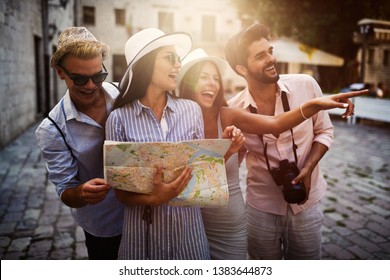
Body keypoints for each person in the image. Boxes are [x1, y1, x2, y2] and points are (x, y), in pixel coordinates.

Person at [178, 48, 367, 259]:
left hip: (235, 221)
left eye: (215, 78)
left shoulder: (229, 114)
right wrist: (231, 151)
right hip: (194, 219)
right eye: (204, 77)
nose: (212, 83)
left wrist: (313, 105)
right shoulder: (177, 120)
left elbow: (276, 124)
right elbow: (200, 177)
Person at [224, 23, 367, 259]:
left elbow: (324, 131)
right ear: (241, 68)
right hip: (261, 208)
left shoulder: (306, 85)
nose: (271, 59)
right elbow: (234, 159)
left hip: (307, 204)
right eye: (261, 56)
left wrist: (309, 168)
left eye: (270, 51)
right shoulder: (234, 109)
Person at [105, 28, 213, 260]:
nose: (178, 65)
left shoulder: (192, 110)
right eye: (169, 58)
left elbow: (201, 175)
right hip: (142, 242)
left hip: (189, 239)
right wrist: (154, 198)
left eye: (178, 59)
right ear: (146, 63)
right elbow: (120, 192)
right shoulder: (119, 119)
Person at [35, 27, 124, 260]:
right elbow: (66, 191)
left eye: (98, 76)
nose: (91, 85)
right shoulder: (52, 129)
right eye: (80, 78)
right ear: (60, 73)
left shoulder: (123, 94)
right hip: (104, 225)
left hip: (146, 210)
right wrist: (82, 193)